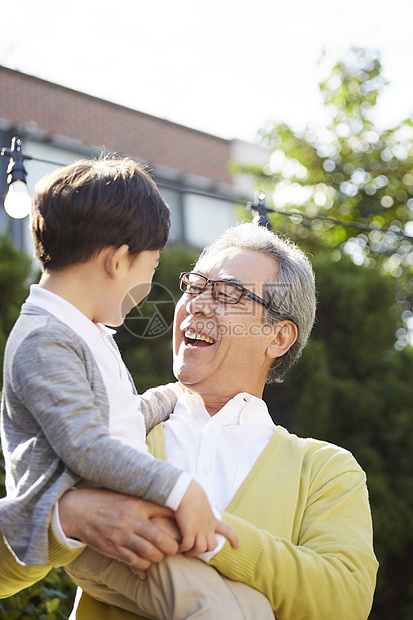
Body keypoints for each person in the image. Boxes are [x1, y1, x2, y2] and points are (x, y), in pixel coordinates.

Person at [0, 221, 378, 619]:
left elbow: (345, 600)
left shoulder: (324, 470)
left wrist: (204, 530)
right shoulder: (118, 430)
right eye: (194, 287)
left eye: (228, 293)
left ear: (278, 337)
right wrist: (71, 519)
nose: (197, 304)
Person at [0, 156, 249, 620]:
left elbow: (121, 418)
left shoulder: (84, 330)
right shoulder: (45, 339)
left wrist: (172, 396)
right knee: (210, 606)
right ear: (117, 260)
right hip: (99, 534)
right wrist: (183, 490)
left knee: (250, 604)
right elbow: (88, 448)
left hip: (118, 517)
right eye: (150, 268)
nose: (149, 285)